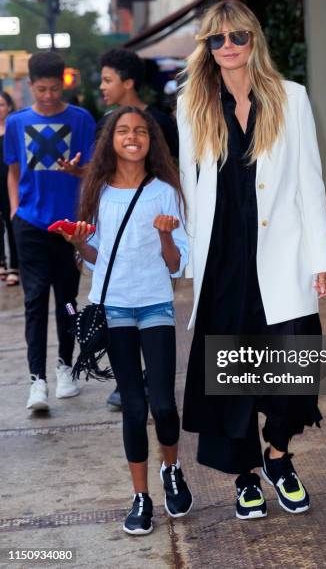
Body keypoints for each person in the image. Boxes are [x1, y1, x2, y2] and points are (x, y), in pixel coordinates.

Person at [177, 0, 326, 520]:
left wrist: (321, 255)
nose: (228, 47)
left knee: (295, 369)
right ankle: (245, 477)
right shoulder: (191, 103)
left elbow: (310, 182)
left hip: (282, 256)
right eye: (217, 39)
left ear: (254, 40)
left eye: (237, 37)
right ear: (207, 46)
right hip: (222, 261)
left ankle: (278, 457)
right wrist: (189, 264)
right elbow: (189, 188)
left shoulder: (291, 98)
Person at [59, 106, 192, 535]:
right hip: (113, 308)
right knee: (133, 408)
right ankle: (141, 497)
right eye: (123, 131)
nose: (132, 137)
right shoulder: (97, 191)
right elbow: (97, 259)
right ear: (110, 140)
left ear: (152, 140)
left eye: (141, 131)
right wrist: (80, 244)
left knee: (164, 403)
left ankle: (170, 469)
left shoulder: (166, 191)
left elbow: (175, 266)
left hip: (155, 305)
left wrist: (166, 234)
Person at [4, 51, 96, 411]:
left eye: (55, 89)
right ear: (30, 87)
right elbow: (12, 170)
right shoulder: (16, 122)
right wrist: (15, 211)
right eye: (41, 89)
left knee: (69, 302)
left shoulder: (81, 119)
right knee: (35, 300)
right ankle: (36, 380)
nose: (48, 96)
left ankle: (65, 367)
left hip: (69, 226)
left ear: (64, 83)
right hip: (29, 222)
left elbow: (92, 171)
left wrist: (77, 173)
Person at [98, 48, 180, 410]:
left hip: (160, 219)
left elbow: (176, 166)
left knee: (157, 299)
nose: (101, 87)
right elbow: (102, 173)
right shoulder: (106, 125)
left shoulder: (162, 122)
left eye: (107, 80)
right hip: (122, 235)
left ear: (128, 83)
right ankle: (130, 381)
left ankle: (152, 378)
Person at [0, 91, 19, 286]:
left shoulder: (13, 130)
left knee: (11, 222)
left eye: (2, 105)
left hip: (9, 181)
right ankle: (2, 263)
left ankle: (14, 266)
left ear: (9, 107)